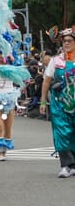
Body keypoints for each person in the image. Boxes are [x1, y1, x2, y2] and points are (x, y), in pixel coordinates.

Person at [40, 27, 75, 178]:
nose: (66, 43)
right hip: (59, 103)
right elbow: (47, 81)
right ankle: (66, 165)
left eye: (69, 41)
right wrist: (42, 101)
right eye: (64, 41)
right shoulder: (56, 61)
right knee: (61, 132)